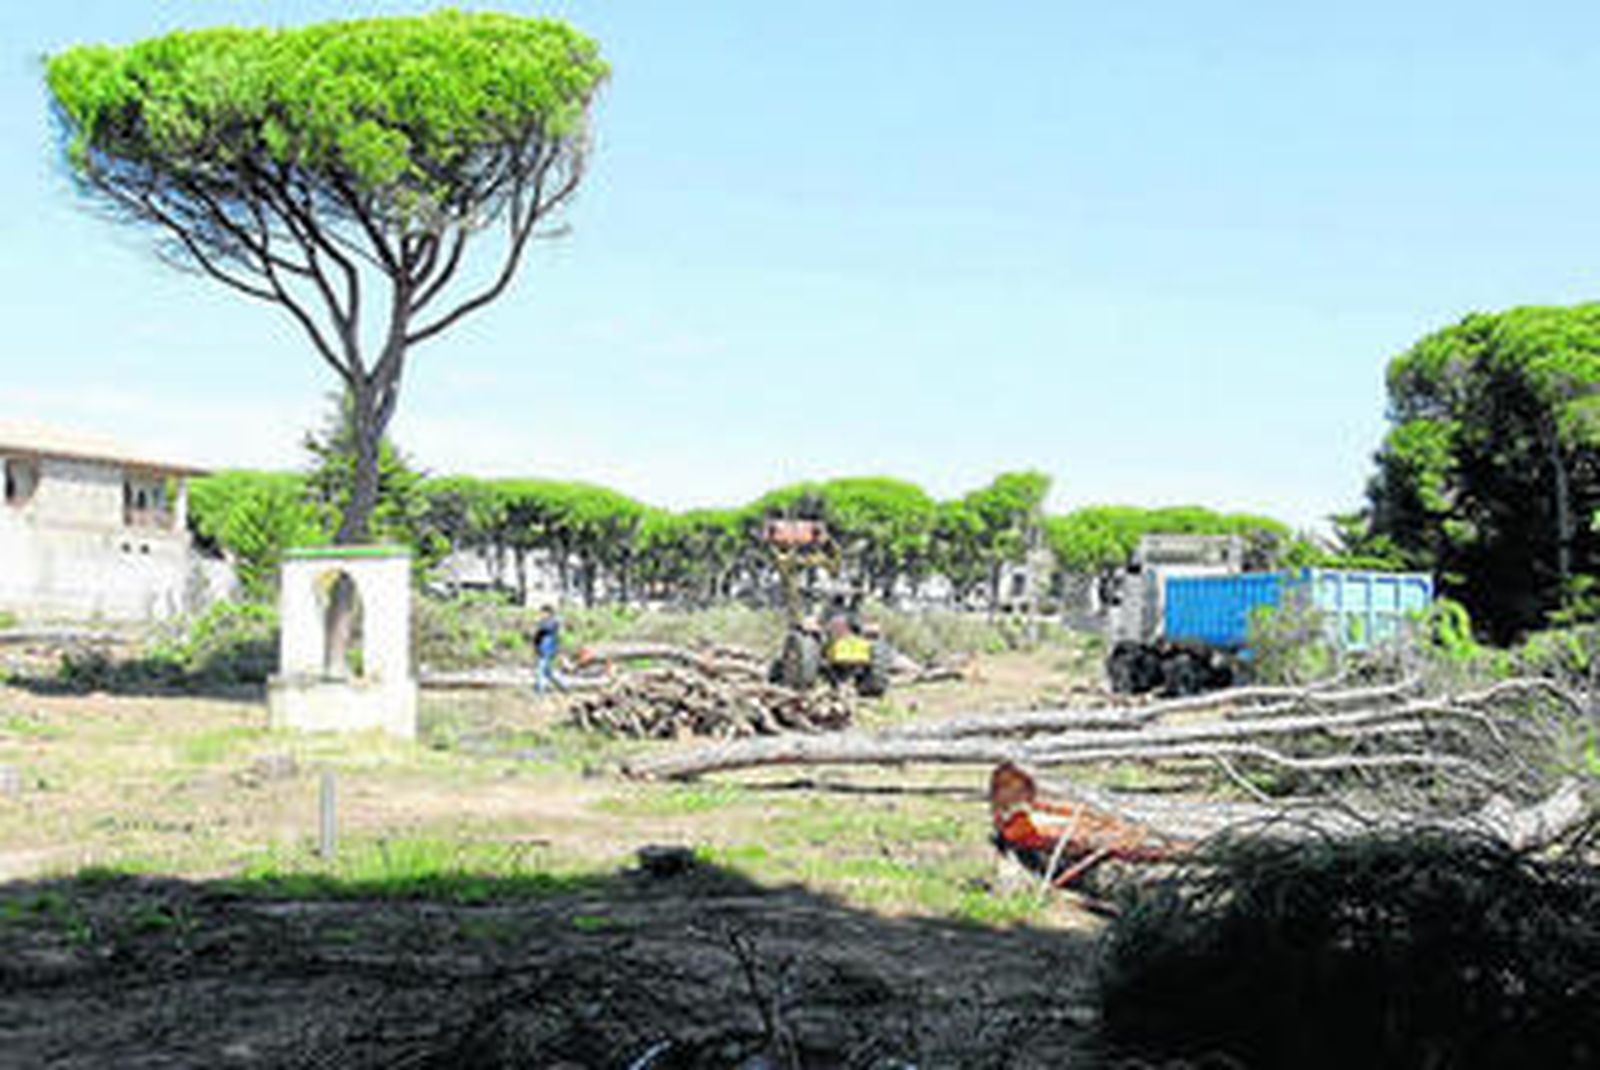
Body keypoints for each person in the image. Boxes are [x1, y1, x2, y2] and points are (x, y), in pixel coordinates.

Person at [532, 604, 566, 694]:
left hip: (547, 650)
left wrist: (539, 622)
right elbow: (538, 637)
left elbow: (547, 628)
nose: (541, 614)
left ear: (549, 613)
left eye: (543, 612)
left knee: (540, 669)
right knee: (548, 672)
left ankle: (539, 690)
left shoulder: (552, 622)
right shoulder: (544, 622)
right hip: (542, 650)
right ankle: (564, 685)